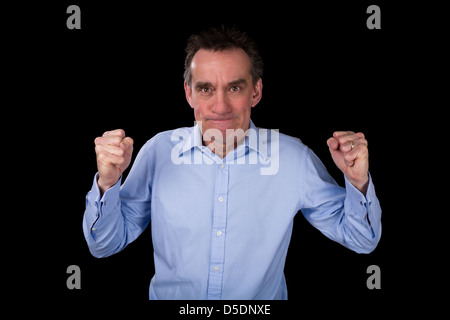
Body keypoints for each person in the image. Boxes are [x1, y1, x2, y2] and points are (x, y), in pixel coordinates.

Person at [83, 27, 382, 300]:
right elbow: (105, 245)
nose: (221, 106)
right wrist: (107, 184)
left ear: (256, 91)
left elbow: (361, 240)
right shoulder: (158, 152)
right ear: (189, 93)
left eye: (235, 88)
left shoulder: (293, 158)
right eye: (206, 89)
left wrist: (358, 182)